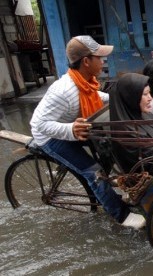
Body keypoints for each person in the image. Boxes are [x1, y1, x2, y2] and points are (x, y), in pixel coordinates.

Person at [29, 35, 145, 229]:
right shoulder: (63, 90)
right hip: (51, 136)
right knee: (94, 172)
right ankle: (122, 215)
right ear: (86, 61)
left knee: (111, 147)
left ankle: (105, 191)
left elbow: (97, 96)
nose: (103, 61)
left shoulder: (85, 82)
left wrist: (124, 99)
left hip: (76, 127)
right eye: (99, 57)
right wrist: (71, 129)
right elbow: (39, 123)